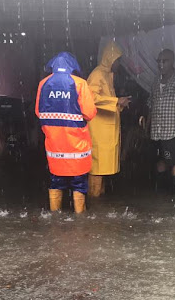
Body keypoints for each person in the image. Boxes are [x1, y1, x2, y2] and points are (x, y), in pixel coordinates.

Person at [35, 52, 97, 213]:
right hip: (77, 147)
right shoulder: (80, 84)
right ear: (73, 67)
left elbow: (38, 112)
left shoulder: (43, 84)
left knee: (56, 181)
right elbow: (90, 113)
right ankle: (79, 220)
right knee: (79, 183)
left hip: (55, 146)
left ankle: (55, 219)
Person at [86, 40, 132, 197]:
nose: (119, 64)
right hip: (99, 131)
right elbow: (90, 98)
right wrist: (116, 101)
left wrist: (120, 104)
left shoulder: (108, 75)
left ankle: (99, 205)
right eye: (117, 60)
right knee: (97, 166)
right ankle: (94, 200)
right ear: (110, 58)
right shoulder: (97, 74)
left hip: (106, 131)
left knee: (103, 167)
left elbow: (106, 100)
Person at [146, 49, 175, 194]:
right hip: (157, 130)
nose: (161, 64)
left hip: (173, 129)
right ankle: (161, 195)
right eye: (159, 61)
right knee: (161, 160)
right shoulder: (156, 80)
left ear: (172, 61)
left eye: (164, 61)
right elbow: (151, 104)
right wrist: (147, 125)